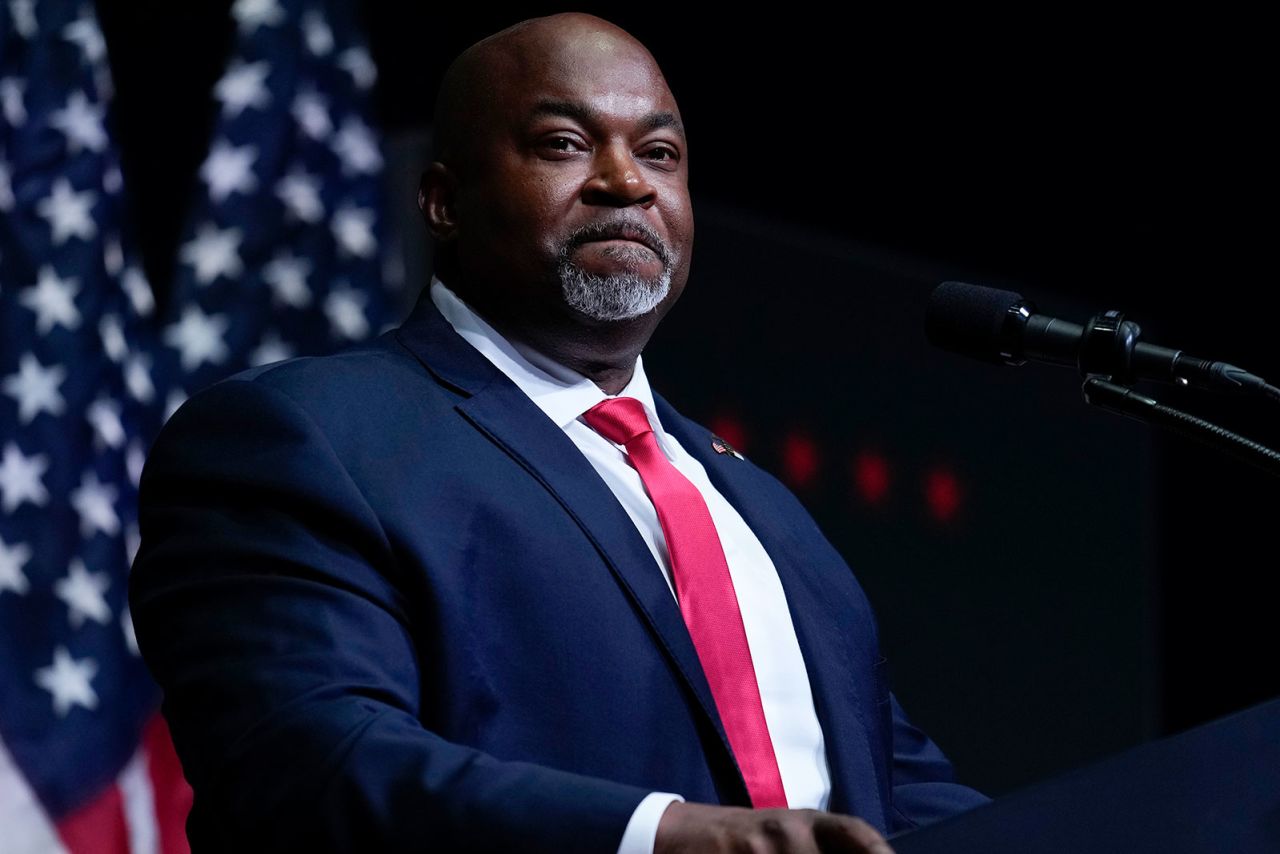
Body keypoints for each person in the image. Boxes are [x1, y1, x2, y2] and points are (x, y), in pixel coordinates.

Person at [129, 13, 987, 853]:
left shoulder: (758, 509)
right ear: (442, 203)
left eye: (659, 154)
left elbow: (896, 793)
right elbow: (308, 766)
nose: (627, 182)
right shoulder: (308, 438)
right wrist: (661, 837)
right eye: (564, 145)